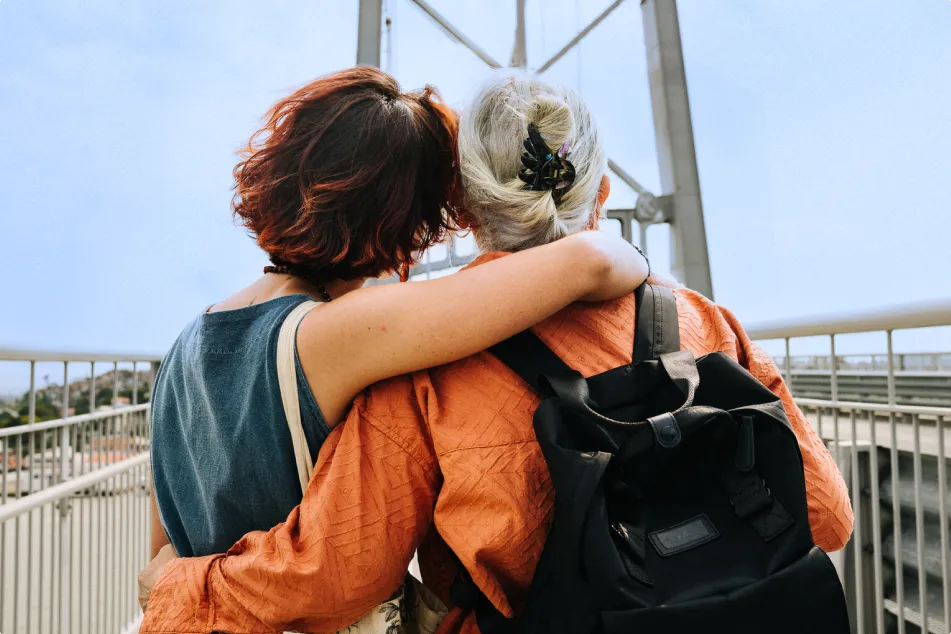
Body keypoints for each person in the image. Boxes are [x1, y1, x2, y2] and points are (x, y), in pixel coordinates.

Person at [139, 75, 853, 634]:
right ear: (601, 189)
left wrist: (174, 585)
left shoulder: (420, 368)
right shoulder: (705, 320)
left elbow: (337, 574)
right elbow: (827, 519)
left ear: (466, 209)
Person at [145, 66, 655, 590]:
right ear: (405, 222)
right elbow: (588, 261)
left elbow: (161, 552)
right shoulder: (340, 331)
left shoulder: (185, 344)